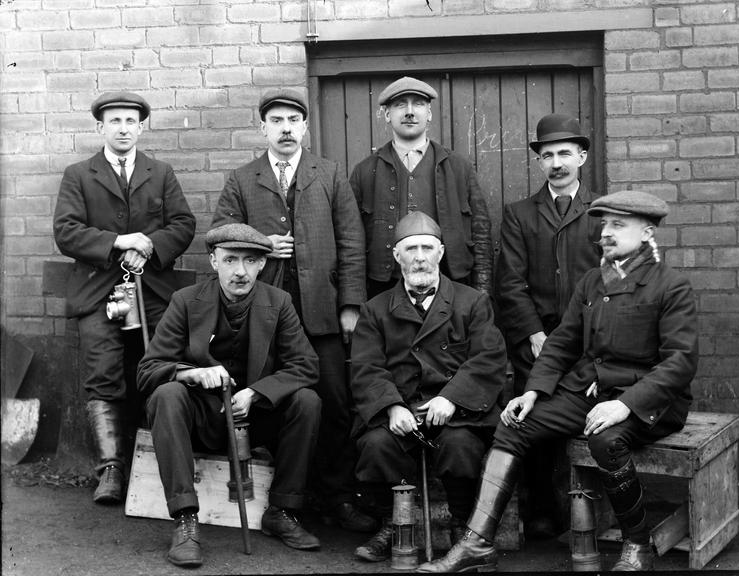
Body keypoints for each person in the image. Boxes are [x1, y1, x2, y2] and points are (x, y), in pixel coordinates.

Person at [418, 190, 699, 572]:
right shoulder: (591, 282)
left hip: (649, 399)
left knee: (607, 440)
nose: (606, 233)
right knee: (514, 426)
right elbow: (563, 341)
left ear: (648, 232)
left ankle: (638, 545)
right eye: (604, 225)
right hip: (588, 390)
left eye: (619, 225)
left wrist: (625, 404)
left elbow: (679, 362)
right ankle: (477, 544)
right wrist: (534, 390)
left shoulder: (671, 285)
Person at [211, 88, 374, 533]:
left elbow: (352, 242)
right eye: (276, 120)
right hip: (264, 313)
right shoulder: (243, 179)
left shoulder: (330, 174)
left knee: (336, 404)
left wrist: (350, 306)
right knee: (278, 400)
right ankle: (286, 501)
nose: (285, 128)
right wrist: (260, 242)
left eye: (293, 120)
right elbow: (221, 235)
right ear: (262, 127)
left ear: (305, 127)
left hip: (321, 311)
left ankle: (337, 496)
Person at [137, 223, 322, 568]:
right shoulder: (185, 301)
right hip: (201, 417)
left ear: (262, 265)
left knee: (307, 401)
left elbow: (307, 365)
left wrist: (256, 392)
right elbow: (148, 369)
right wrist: (191, 372)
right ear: (213, 261)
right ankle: (185, 520)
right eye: (231, 259)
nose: (241, 271)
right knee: (166, 394)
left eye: (251, 261)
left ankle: (281, 510)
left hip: (253, 418)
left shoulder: (278, 302)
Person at [53, 91, 196, 505]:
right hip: (99, 292)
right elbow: (66, 231)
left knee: (162, 365)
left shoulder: (161, 172)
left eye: (130, 121)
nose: (123, 128)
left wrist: (149, 244)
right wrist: (118, 241)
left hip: (152, 289)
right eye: (114, 121)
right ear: (101, 127)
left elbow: (184, 224)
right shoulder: (79, 174)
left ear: (140, 127)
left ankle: (160, 462)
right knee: (103, 370)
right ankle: (111, 469)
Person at [350, 211, 507, 563]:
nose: (419, 257)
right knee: (375, 446)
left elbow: (488, 358)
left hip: (456, 412)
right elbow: (365, 367)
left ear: (440, 252)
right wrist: (391, 406)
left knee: (461, 445)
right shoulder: (375, 310)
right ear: (397, 256)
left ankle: (461, 526)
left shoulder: (471, 302)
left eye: (426, 248)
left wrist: (451, 399)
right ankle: (392, 523)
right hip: (401, 410)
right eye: (410, 249)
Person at [494, 113, 602, 536]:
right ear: (539, 162)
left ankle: (588, 514)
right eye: (547, 155)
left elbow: (610, 283)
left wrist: (590, 341)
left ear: (582, 156)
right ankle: (541, 509)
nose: (556, 162)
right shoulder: (520, 214)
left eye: (564, 154)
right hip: (535, 342)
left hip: (588, 345)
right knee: (531, 422)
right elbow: (510, 283)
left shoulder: (601, 213)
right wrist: (535, 335)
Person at [349, 76, 493, 298]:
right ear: (387, 115)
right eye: (400, 105)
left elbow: (481, 232)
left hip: (451, 287)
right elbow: (351, 243)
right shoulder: (365, 171)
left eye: (418, 104)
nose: (409, 112)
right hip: (384, 291)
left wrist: (483, 292)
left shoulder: (458, 167)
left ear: (429, 113)